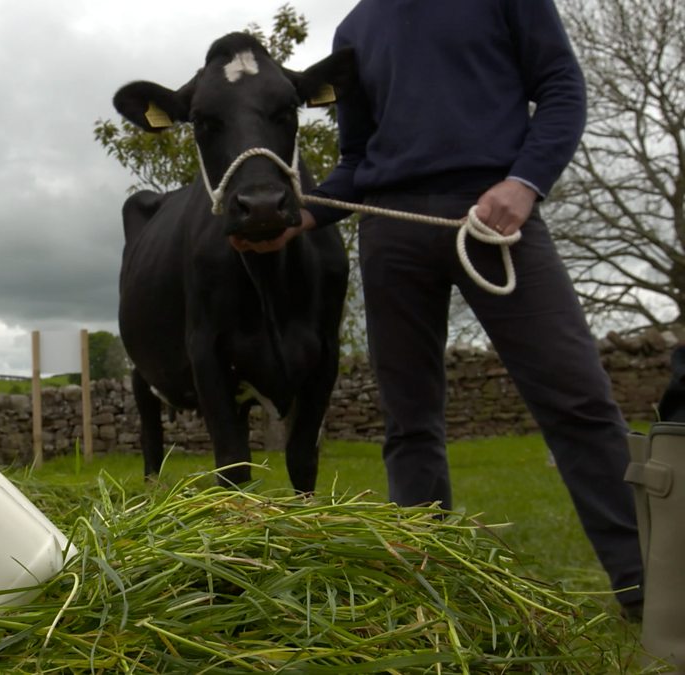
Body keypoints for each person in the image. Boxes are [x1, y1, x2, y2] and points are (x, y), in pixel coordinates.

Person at [243, 0, 644, 619]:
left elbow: (563, 86)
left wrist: (526, 182)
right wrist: (302, 216)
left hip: (497, 219)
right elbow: (356, 161)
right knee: (408, 423)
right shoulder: (355, 29)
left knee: (579, 402)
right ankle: (431, 592)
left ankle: (649, 587)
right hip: (392, 232)